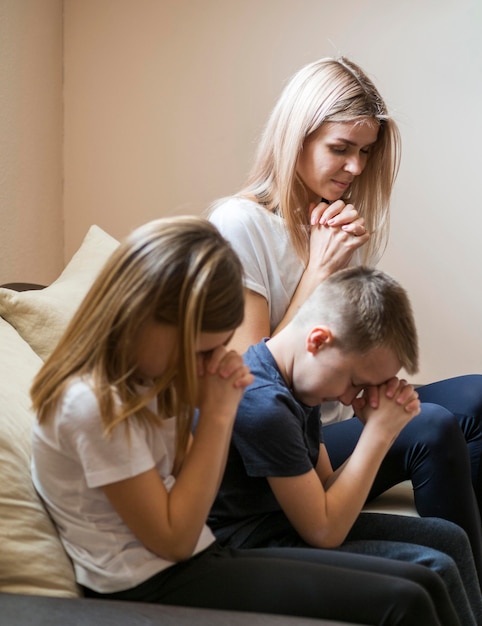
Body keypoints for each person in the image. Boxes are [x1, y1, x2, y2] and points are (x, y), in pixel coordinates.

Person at [30, 216, 459, 626]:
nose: (217, 361)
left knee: (422, 581)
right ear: (144, 318)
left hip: (195, 558)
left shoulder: (146, 385)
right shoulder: (91, 405)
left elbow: (179, 482)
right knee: (405, 600)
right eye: (203, 351)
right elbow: (176, 538)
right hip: (147, 584)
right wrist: (217, 414)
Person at [208, 55, 482, 578]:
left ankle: (471, 567)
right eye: (340, 149)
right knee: (435, 426)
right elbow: (253, 372)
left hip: (327, 419)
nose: (355, 168)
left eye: (364, 152)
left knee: (478, 395)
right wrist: (320, 267)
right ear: (297, 139)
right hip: (278, 434)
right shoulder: (238, 225)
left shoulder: (329, 221)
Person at [208, 265, 482, 626]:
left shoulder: (296, 385)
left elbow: (325, 488)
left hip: (283, 524)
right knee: (434, 566)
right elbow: (324, 531)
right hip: (248, 545)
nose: (352, 396)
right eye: (356, 381)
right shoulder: (263, 403)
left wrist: (376, 430)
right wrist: (377, 435)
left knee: (450, 538)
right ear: (318, 341)